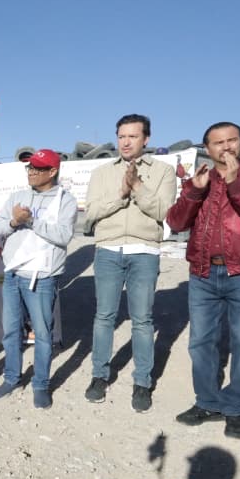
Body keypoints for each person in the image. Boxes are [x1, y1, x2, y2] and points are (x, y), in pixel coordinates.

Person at [166, 122, 240, 440]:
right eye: (218, 142)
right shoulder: (199, 179)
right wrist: (194, 191)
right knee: (201, 342)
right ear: (208, 148)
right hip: (203, 273)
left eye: (232, 140)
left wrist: (234, 182)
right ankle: (207, 402)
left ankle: (237, 408)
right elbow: (176, 222)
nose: (226, 147)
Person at [83, 114, 176, 412]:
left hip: (144, 251)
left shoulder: (163, 171)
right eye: (121, 136)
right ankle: (99, 376)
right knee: (104, 317)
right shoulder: (101, 173)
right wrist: (121, 194)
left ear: (146, 139)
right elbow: (91, 213)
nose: (125, 142)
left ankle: (142, 382)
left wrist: (138, 187)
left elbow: (164, 211)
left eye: (132, 136)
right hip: (108, 250)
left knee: (142, 320)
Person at [0, 150, 78, 408]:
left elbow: (63, 235)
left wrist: (30, 221)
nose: (31, 172)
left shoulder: (65, 201)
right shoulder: (17, 196)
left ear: (53, 172)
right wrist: (14, 222)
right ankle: (11, 378)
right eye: (29, 167)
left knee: (42, 334)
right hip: (13, 275)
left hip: (42, 279)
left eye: (38, 168)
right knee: (10, 330)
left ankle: (41, 384)